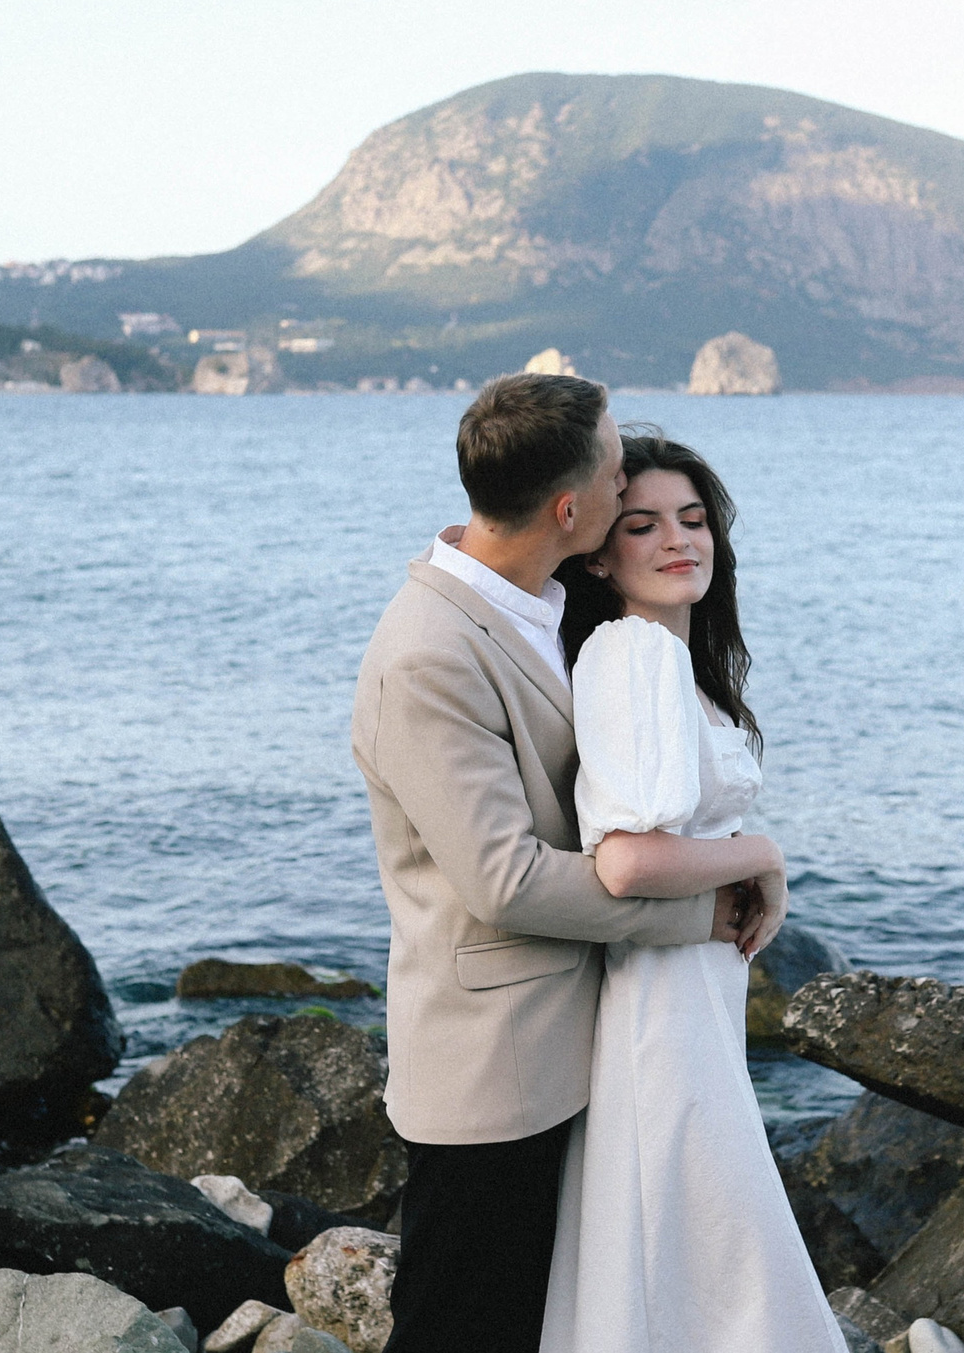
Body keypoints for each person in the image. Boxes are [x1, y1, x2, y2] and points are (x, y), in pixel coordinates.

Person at [351, 375, 764, 1353]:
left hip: (581, 1035)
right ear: (570, 507)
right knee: (459, 1329)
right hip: (493, 1062)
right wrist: (699, 912)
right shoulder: (427, 652)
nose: (633, 485)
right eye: (619, 472)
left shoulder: (547, 601)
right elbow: (506, 880)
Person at [538, 426, 837, 1351]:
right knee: (718, 1250)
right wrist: (762, 853)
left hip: (691, 993)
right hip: (660, 1005)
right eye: (643, 525)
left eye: (694, 518)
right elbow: (626, 860)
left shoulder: (673, 661)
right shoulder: (636, 655)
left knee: (685, 1257)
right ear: (597, 556)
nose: (679, 540)